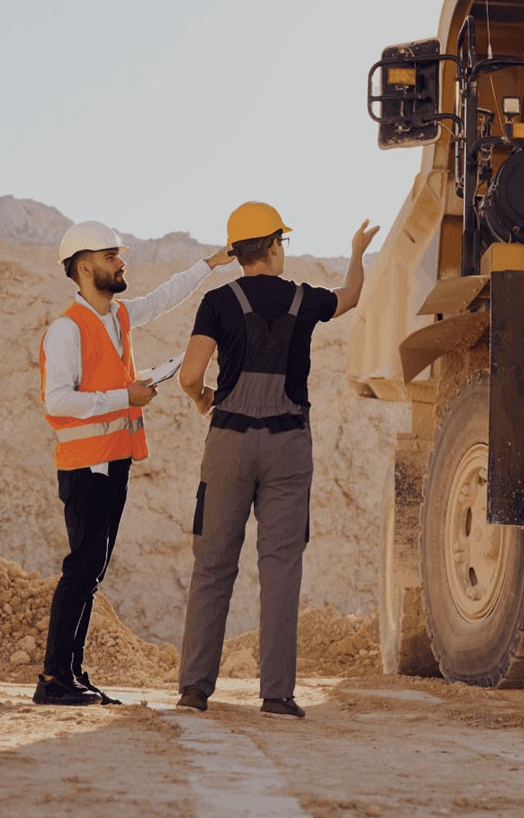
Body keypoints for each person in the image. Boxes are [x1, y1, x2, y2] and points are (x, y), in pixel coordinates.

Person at [176, 202, 378, 719]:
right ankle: (277, 695)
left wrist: (205, 402)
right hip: (289, 446)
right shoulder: (305, 299)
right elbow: (352, 298)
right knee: (282, 567)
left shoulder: (217, 301)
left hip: (229, 443)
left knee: (213, 565)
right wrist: (356, 252)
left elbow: (189, 375)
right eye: (281, 242)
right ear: (270, 246)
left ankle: (195, 689)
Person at [36, 220, 234, 706]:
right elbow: (57, 401)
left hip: (115, 461)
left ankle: (73, 673)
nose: (121, 262)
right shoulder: (66, 329)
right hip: (86, 465)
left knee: (93, 569)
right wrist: (124, 394)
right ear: (85, 266)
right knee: (82, 566)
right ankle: (53, 680)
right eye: (111, 256)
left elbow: (165, 298)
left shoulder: (118, 316)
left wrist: (209, 264)